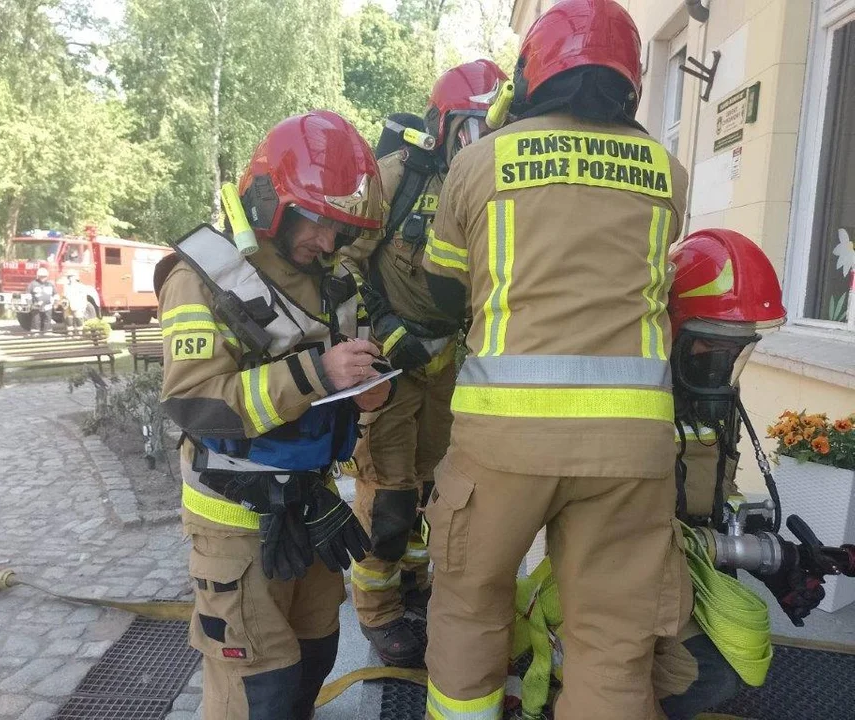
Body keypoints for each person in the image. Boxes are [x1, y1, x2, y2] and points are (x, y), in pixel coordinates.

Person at [418, 1, 692, 718]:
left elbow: (443, 293)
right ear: (631, 77)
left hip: (500, 443)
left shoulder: (479, 163)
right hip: (631, 450)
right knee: (612, 642)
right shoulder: (670, 172)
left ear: (533, 74)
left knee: (472, 609)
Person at [508, 228, 829, 720]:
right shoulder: (625, 407)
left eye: (737, 349)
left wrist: (777, 556)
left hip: (669, 575)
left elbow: (714, 496)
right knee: (710, 675)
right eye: (712, 348)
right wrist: (763, 556)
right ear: (672, 331)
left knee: (741, 649)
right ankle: (570, 691)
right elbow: (620, 533)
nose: (723, 366)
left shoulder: (712, 398)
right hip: (603, 581)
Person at [155, 110, 394, 720]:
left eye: (342, 232)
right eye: (319, 223)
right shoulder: (201, 279)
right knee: (258, 689)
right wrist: (317, 375)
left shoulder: (335, 281)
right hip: (234, 522)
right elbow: (196, 403)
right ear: (271, 199)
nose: (330, 244)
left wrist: (370, 391)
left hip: (308, 507)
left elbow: (346, 373)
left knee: (314, 656)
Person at [342, 59, 509, 667]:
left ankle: (413, 590)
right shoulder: (393, 180)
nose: (479, 145)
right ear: (442, 126)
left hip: (448, 365)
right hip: (389, 368)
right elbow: (341, 264)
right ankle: (379, 614)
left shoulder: (494, 185)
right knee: (388, 499)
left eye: (490, 131)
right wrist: (384, 330)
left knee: (432, 490)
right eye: (469, 129)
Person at [26, 267, 55, 335]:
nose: (43, 278)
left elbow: (55, 294)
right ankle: (35, 332)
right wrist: (30, 303)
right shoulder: (33, 284)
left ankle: (47, 332)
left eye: (44, 276)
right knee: (36, 319)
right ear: (38, 276)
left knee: (47, 319)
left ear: (47, 276)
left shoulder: (50, 284)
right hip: (36, 306)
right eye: (41, 276)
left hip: (48, 306)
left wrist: (55, 302)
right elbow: (28, 294)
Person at [62, 271, 88, 336]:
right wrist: (64, 306)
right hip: (68, 307)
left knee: (79, 320)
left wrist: (83, 307)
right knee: (69, 321)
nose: (70, 278)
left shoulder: (81, 286)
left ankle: (79, 334)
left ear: (75, 277)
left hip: (78, 306)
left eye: (72, 277)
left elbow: (84, 297)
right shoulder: (66, 286)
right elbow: (64, 296)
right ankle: (70, 334)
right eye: (69, 277)